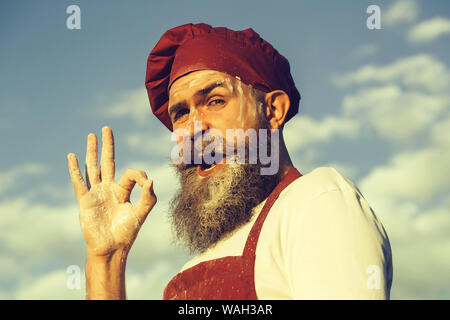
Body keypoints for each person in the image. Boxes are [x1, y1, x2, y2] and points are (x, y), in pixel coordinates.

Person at [67, 23, 393, 300]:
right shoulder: (191, 268)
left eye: (215, 101)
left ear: (273, 110)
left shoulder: (315, 201)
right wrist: (107, 260)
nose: (194, 129)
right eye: (181, 114)